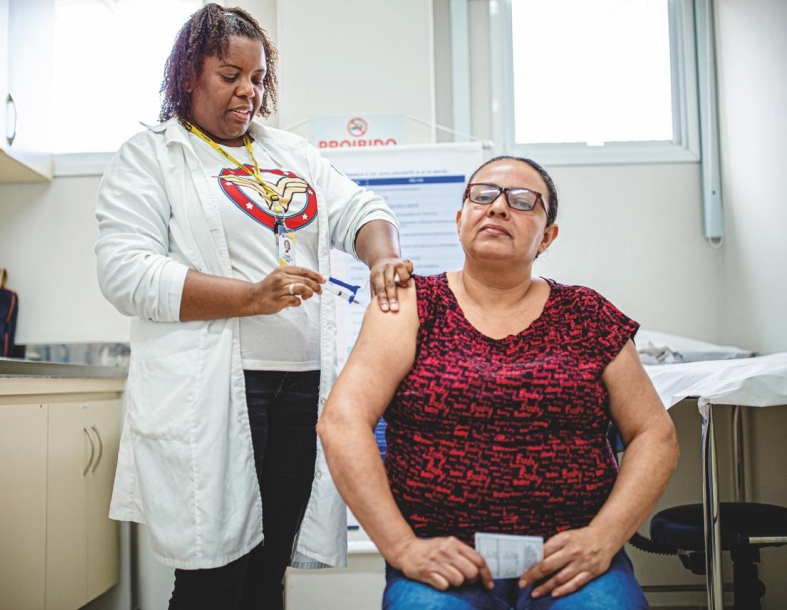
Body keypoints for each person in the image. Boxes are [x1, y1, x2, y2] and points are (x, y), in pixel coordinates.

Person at [94, 5, 412, 609]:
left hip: (299, 388)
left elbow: (360, 209)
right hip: (212, 392)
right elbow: (125, 273)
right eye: (229, 75)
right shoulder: (150, 157)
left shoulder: (288, 152)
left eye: (258, 77)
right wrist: (250, 297)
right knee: (213, 579)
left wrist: (380, 258)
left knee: (270, 571)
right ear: (188, 75)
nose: (248, 91)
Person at [317, 156, 680, 609]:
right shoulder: (410, 303)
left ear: (547, 237)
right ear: (460, 218)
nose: (498, 208)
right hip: (443, 560)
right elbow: (342, 421)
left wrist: (604, 537)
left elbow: (655, 433)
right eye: (483, 195)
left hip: (571, 562)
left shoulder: (587, 313)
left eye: (523, 202)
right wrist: (403, 547)